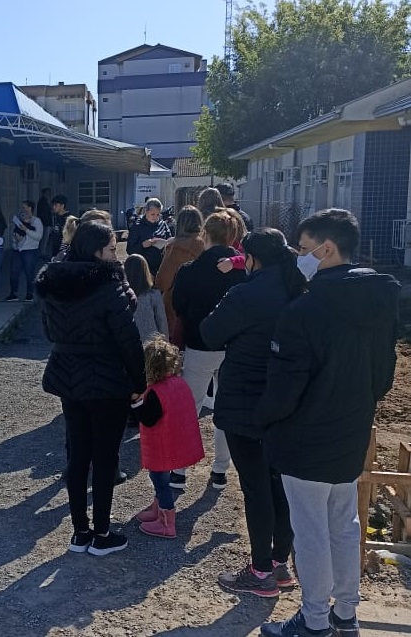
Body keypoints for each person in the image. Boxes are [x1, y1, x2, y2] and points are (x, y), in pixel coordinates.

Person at [257, 210, 400, 637]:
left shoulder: (305, 309)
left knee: (311, 533)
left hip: (304, 440)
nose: (299, 256)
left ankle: (315, 619)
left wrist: (264, 420)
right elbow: (383, 377)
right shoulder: (380, 303)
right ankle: (345, 614)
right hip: (351, 433)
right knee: (344, 525)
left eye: (303, 249)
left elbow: (284, 388)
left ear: (327, 249)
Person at [199, 228, 306, 598]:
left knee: (255, 487)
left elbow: (210, 333)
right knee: (279, 483)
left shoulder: (245, 293)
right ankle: (279, 563)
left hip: (245, 401)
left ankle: (259, 571)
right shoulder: (297, 289)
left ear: (252, 259)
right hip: (286, 400)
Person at [36, 221, 146, 556]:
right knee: (105, 457)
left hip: (68, 378)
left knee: (78, 455)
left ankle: (80, 533)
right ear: (96, 251)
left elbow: (48, 331)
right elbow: (128, 339)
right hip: (107, 379)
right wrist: (139, 382)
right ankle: (102, 534)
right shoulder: (109, 285)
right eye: (112, 249)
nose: (116, 255)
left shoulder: (52, 282)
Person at [170, 211, 245, 490]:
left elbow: (179, 305)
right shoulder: (242, 270)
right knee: (225, 410)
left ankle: (179, 471)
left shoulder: (189, 270)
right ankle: (220, 470)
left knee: (189, 408)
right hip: (233, 347)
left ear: (205, 233)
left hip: (198, 344)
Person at [131, 336, 204, 538]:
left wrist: (136, 403)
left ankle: (166, 522)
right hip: (174, 442)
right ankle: (158, 509)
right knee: (163, 480)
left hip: (160, 447)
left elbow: (148, 419)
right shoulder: (179, 384)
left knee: (160, 482)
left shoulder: (155, 392)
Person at [154, 205, 205, 340]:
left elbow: (163, 282)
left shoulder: (174, 247)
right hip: (201, 304)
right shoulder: (206, 245)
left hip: (175, 308)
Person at [124, 254, 168, 341]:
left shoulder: (121, 296)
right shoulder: (153, 294)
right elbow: (161, 321)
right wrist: (166, 343)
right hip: (151, 343)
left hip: (129, 342)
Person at [6, 201, 43, 302]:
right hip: (18, 250)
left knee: (29, 272)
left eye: (25, 207)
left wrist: (26, 230)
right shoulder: (20, 220)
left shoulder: (36, 221)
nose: (23, 209)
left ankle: (30, 293)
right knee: (14, 272)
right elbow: (14, 233)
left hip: (30, 250)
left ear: (30, 208)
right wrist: (15, 239)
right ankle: (13, 293)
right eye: (22, 207)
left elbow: (38, 236)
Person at [125, 198, 173, 276]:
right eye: (152, 214)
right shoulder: (137, 226)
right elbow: (129, 250)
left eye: (158, 214)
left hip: (161, 268)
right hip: (143, 270)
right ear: (146, 212)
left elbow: (169, 240)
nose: (155, 217)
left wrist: (168, 243)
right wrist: (142, 245)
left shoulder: (163, 224)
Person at [48, 194, 70, 259]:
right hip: (55, 253)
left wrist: (61, 254)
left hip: (64, 255)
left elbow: (68, 239)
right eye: (53, 205)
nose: (53, 207)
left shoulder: (68, 219)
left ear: (62, 205)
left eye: (56, 205)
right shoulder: (56, 217)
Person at [37, 188, 53, 259]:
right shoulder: (43, 201)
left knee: (44, 238)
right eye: (47, 193)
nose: (48, 194)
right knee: (44, 238)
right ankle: (42, 253)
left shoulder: (44, 201)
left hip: (45, 222)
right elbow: (44, 213)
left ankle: (42, 252)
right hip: (45, 222)